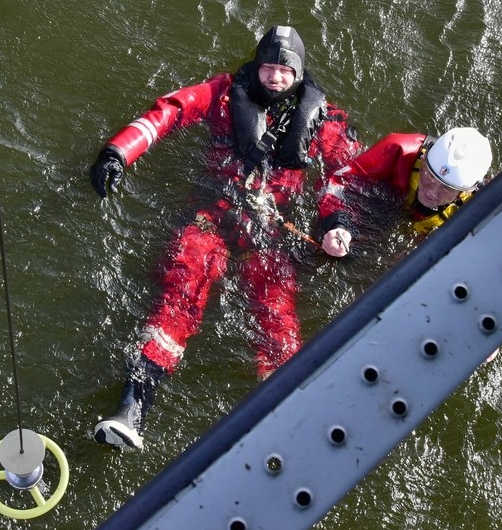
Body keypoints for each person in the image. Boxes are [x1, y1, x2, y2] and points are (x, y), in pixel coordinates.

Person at [88, 25, 360, 450]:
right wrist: (118, 152)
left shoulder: (325, 118)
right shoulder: (223, 94)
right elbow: (169, 112)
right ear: (256, 66)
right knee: (181, 292)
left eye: (284, 71)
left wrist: (336, 225)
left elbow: (346, 174)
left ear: (299, 74)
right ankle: (132, 407)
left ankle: (290, 423)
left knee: (278, 318)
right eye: (267, 67)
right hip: (212, 215)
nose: (274, 77)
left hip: (270, 232)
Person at [315, 127, 493, 258]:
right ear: (423, 160)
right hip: (384, 201)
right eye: (429, 177)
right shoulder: (398, 149)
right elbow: (337, 182)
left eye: (446, 188)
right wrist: (338, 225)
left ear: (467, 191)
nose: (432, 192)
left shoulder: (482, 201)